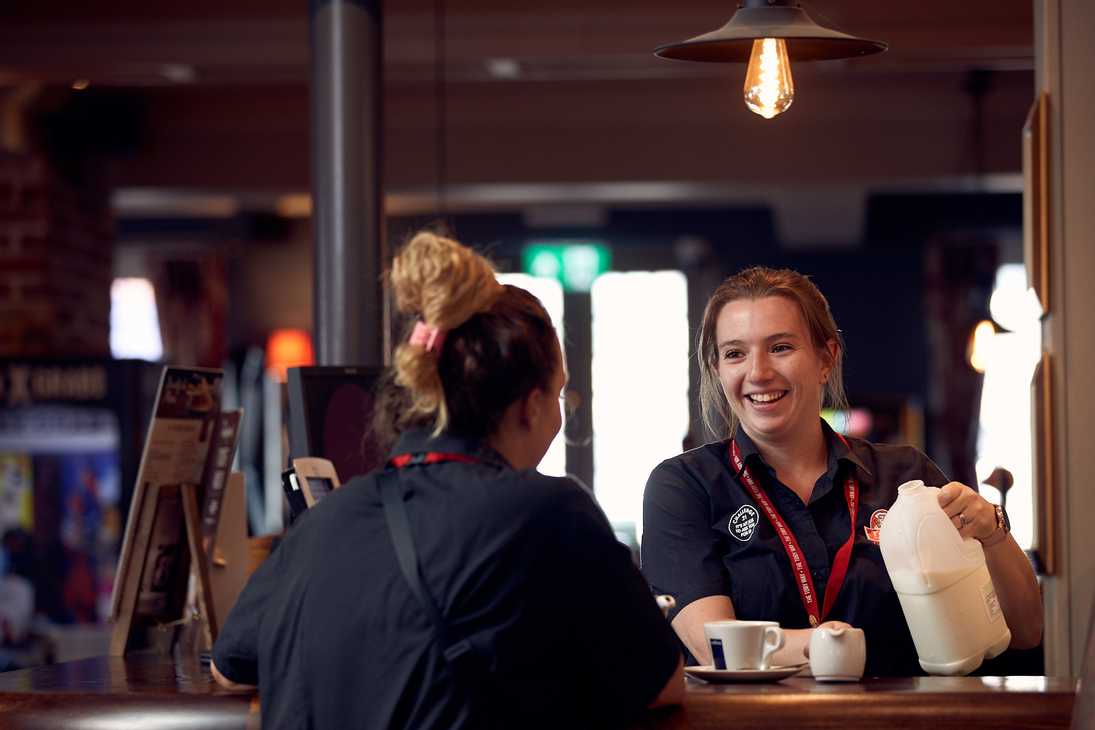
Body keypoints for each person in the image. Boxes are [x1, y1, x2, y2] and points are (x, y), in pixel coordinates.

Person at [212, 231, 684, 728]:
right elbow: (662, 682)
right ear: (529, 405)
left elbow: (230, 667)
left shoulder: (323, 519)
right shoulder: (550, 512)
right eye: (559, 394)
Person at [641, 266, 1043, 676]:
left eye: (780, 347)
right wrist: (829, 646)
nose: (758, 372)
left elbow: (1024, 631)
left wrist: (992, 533)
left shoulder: (906, 475)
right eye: (735, 353)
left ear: (825, 358)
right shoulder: (685, 486)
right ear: (717, 369)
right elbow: (715, 647)